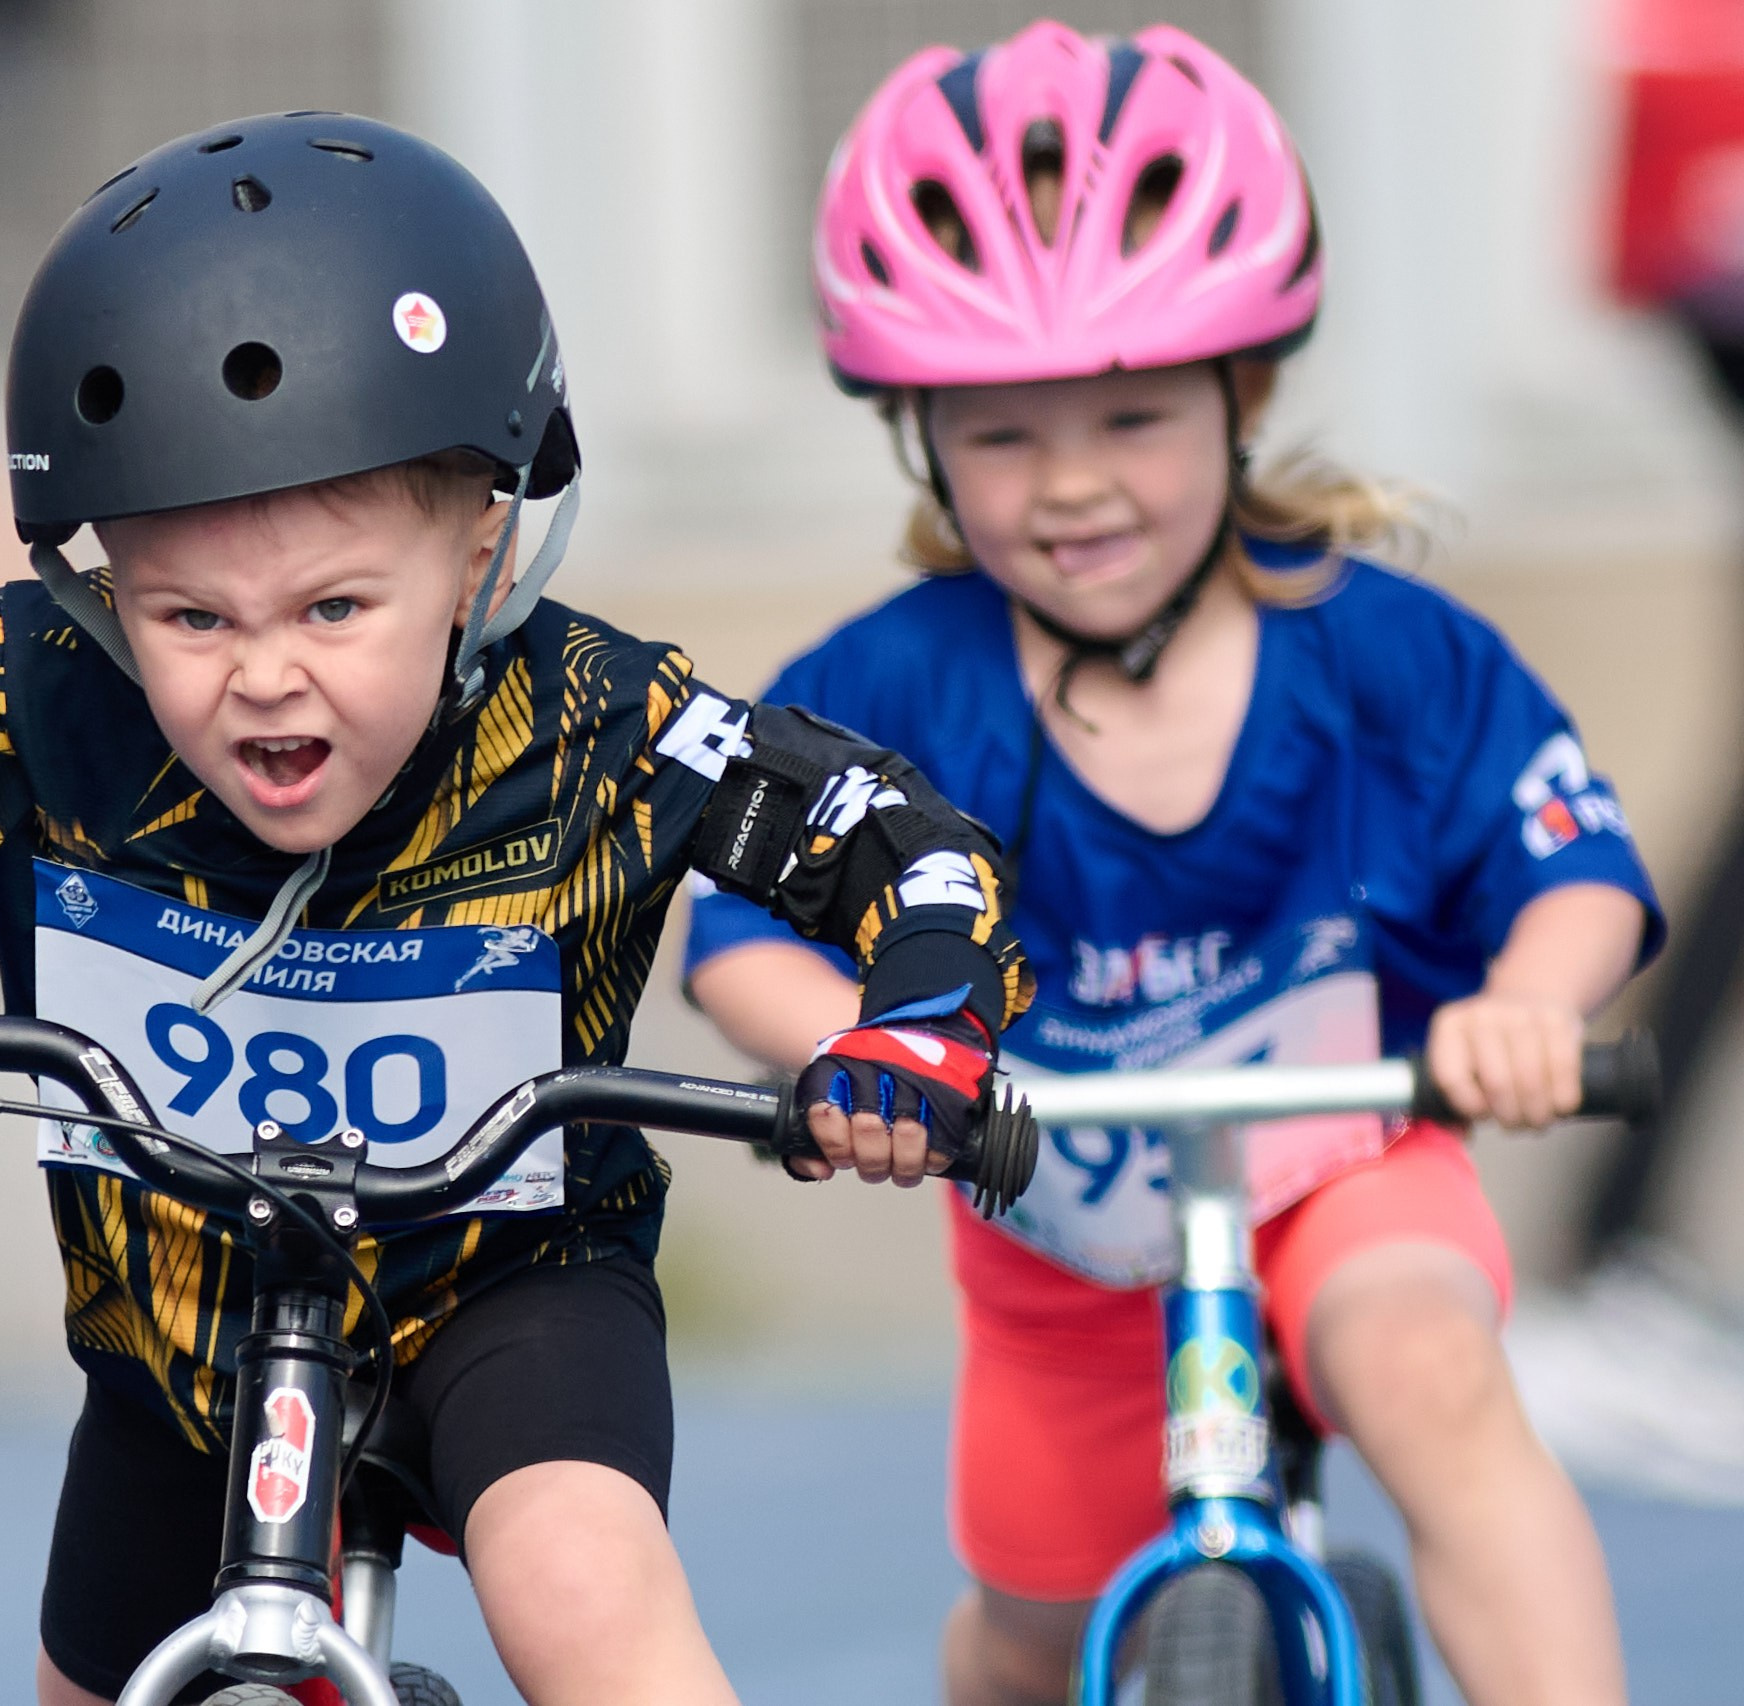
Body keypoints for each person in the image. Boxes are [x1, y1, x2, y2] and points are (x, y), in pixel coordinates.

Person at [0, 114, 1032, 1706]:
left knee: (585, 1595)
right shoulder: (36, 687)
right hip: (174, 1350)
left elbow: (909, 844)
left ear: (482, 553)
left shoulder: (602, 723)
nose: (263, 672)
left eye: (338, 606)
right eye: (187, 613)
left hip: (513, 1301)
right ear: (96, 587)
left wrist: (916, 1028)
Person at [684, 24, 1661, 1706]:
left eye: (1133, 415)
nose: (1072, 485)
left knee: (1428, 1368)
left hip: (1345, 1162)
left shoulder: (1384, 658)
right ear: (920, 435)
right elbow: (735, 930)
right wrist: (854, 1045)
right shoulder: (895, 686)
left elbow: (1568, 857)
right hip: (1052, 1214)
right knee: (1032, 1630)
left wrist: (1528, 1003)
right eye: (1000, 435)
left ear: (1244, 391)